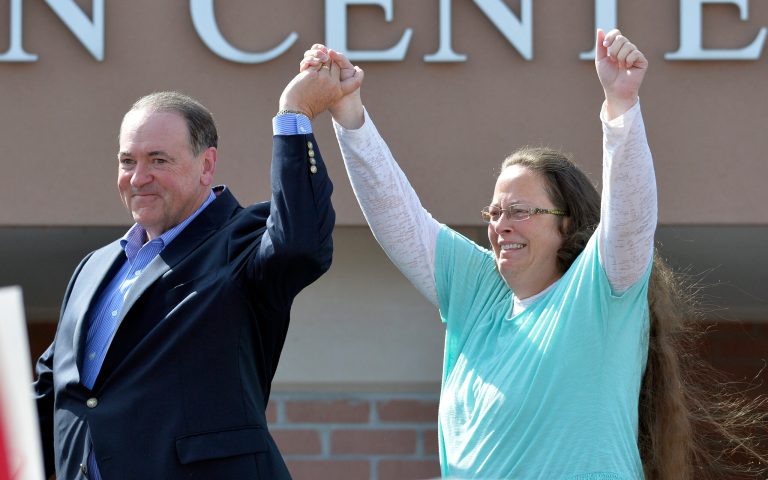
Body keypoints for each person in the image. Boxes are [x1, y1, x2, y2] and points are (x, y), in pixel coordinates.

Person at [302, 30, 768, 479]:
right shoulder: (479, 294)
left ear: (566, 224)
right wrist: (350, 114)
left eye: (521, 211)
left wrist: (621, 105)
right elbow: (399, 219)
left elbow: (629, 217)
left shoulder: (599, 293)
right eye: (495, 211)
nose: (501, 224)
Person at [32, 62, 360, 479]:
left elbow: (301, 245)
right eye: (127, 160)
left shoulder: (242, 240)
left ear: (207, 166)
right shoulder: (93, 268)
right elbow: (51, 394)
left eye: (158, 160)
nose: (138, 177)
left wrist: (293, 113)